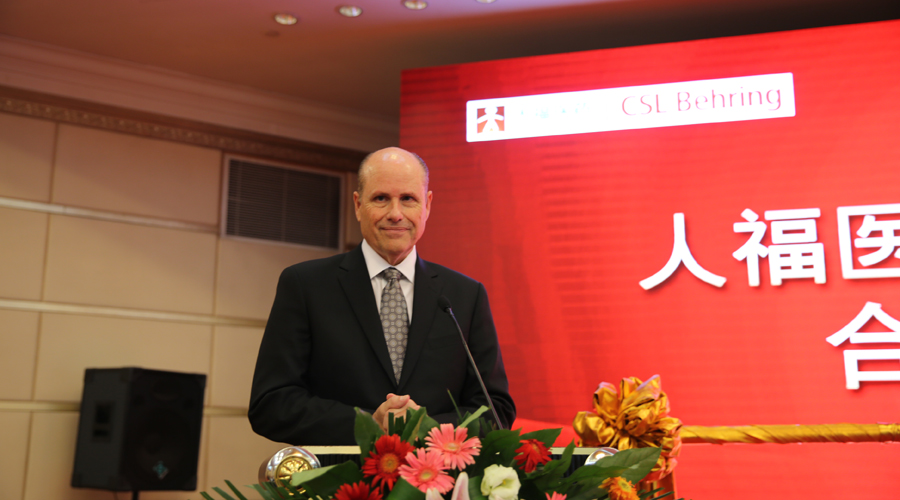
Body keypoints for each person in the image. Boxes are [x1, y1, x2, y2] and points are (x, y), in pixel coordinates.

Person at [248, 147, 515, 445]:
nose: (395, 214)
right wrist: (368, 424)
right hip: (341, 473)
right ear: (358, 205)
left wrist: (425, 428)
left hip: (438, 472)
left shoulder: (465, 295)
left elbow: (496, 411)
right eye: (381, 199)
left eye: (408, 199)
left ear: (427, 205)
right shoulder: (305, 285)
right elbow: (271, 404)